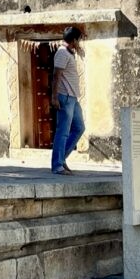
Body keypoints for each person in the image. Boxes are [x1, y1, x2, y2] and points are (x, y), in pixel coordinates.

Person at [50, 26, 85, 175]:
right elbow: (56, 76)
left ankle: (61, 158)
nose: (80, 43)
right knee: (63, 131)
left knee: (79, 128)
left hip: (73, 98)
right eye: (79, 40)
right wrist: (54, 97)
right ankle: (57, 165)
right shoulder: (62, 53)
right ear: (74, 40)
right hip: (64, 97)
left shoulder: (70, 53)